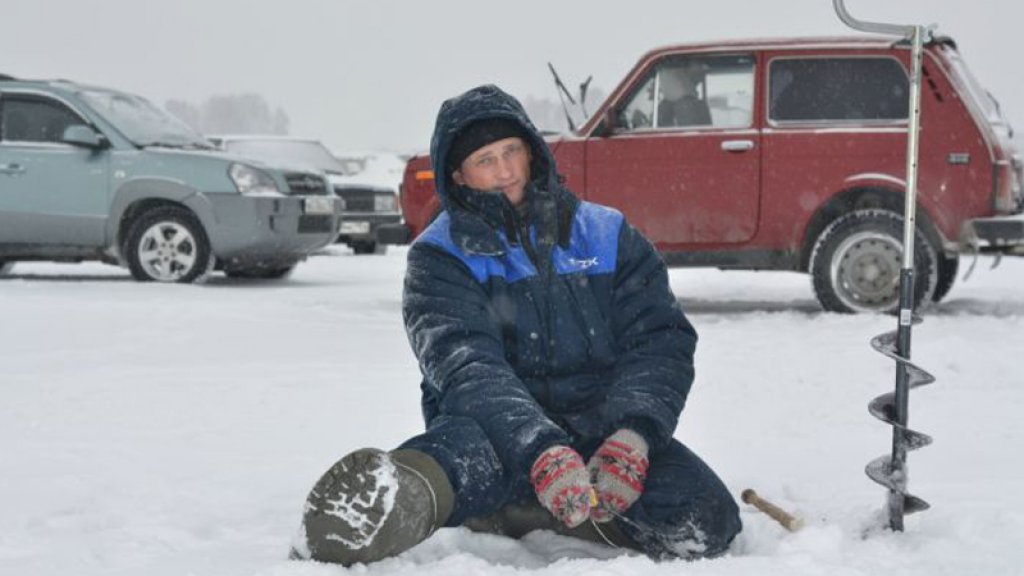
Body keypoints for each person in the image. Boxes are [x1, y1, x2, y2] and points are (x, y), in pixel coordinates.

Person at [290, 84, 741, 566]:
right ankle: (396, 496)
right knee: (458, 458)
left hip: (599, 428)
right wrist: (539, 448)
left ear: (532, 152)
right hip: (495, 433)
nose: (505, 171)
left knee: (707, 518)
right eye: (485, 160)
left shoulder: (607, 233)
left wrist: (633, 436)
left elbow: (659, 340)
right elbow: (467, 366)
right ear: (458, 175)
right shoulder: (439, 256)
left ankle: (541, 509)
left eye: (511, 152)